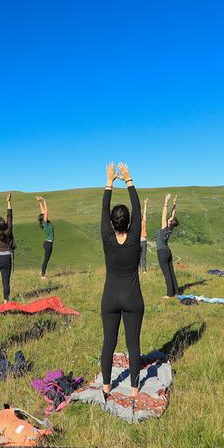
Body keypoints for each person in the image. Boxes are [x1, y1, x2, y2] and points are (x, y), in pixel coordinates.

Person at [100, 162, 145, 398]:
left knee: (109, 343)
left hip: (110, 298)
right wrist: (129, 179)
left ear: (110, 222)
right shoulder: (136, 235)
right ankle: (135, 389)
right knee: (133, 345)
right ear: (128, 221)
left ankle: (106, 387)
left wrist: (109, 182)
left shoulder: (106, 236)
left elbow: (104, 209)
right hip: (132, 298)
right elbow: (137, 209)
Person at [157, 194, 180, 298]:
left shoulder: (164, 228)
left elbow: (164, 214)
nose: (168, 218)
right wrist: (174, 203)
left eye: (170, 219)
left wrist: (166, 202)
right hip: (168, 252)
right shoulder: (170, 228)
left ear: (170, 222)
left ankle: (170, 294)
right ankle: (177, 291)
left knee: (167, 274)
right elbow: (172, 215)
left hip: (162, 252)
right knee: (171, 272)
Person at [36, 196, 54, 279]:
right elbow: (46, 211)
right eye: (44, 216)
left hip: (47, 243)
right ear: (43, 218)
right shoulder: (45, 223)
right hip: (48, 243)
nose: (45, 215)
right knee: (46, 260)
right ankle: (43, 275)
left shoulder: (44, 223)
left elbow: (43, 211)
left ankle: (43, 274)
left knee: (46, 259)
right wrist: (45, 201)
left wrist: (40, 202)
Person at [139, 198, 149, 274]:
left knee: (143, 256)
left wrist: (145, 204)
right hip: (138, 242)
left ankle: (144, 270)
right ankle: (139, 270)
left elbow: (145, 213)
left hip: (143, 241)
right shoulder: (135, 224)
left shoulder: (143, 221)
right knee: (138, 256)